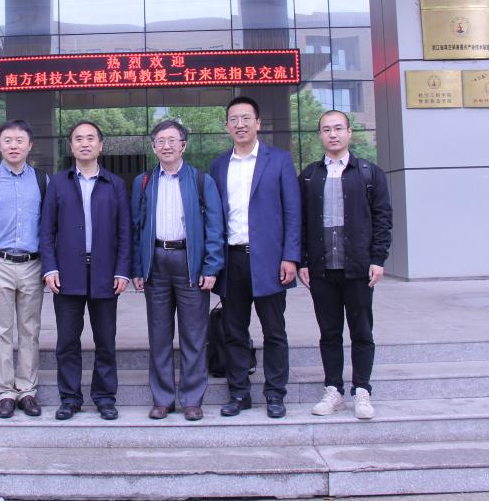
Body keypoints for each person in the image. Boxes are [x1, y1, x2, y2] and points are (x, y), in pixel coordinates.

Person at [210, 96, 301, 418]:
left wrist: (291, 256)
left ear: (258, 123)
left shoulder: (279, 160)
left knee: (274, 331)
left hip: (270, 262)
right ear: (227, 126)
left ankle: (275, 394)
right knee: (234, 331)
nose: (240, 124)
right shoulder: (219, 165)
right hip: (231, 260)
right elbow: (214, 216)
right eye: (234, 119)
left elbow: (293, 212)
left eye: (246, 118)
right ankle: (239, 394)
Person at [298, 110, 392, 420]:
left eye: (338, 128)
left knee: (361, 331)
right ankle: (333, 390)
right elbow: (300, 222)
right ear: (320, 136)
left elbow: (382, 218)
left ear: (349, 132)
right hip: (323, 268)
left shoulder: (368, 173)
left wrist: (378, 258)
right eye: (326, 129)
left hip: (359, 267)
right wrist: (303, 260)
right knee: (329, 333)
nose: (333, 134)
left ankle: (362, 390)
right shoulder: (310, 176)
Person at [131, 120, 224, 421]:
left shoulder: (201, 180)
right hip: (156, 262)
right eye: (161, 140)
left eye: (173, 140)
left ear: (184, 145)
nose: (167, 145)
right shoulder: (143, 182)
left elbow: (214, 227)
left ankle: (192, 399)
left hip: (190, 262)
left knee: (194, 335)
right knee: (159, 335)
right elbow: (136, 228)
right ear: (153, 146)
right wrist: (137, 268)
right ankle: (162, 399)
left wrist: (211, 266)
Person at [40, 120, 131, 421]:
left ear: (101, 146)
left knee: (105, 340)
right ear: (71, 146)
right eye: (78, 139)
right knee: (67, 341)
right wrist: (50, 268)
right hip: (67, 274)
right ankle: (70, 398)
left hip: (105, 274)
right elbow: (46, 231)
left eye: (90, 138)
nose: (85, 143)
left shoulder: (115, 184)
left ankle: (104, 397)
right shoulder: (58, 183)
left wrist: (122, 270)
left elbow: (125, 231)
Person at [0, 119, 48, 419]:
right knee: (1, 331)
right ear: (0, 145)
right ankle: (5, 392)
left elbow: (48, 227)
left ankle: (27, 390)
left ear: (30, 146)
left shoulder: (42, 180)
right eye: (8, 140)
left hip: (32, 264)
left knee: (30, 330)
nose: (14, 146)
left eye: (19, 141)